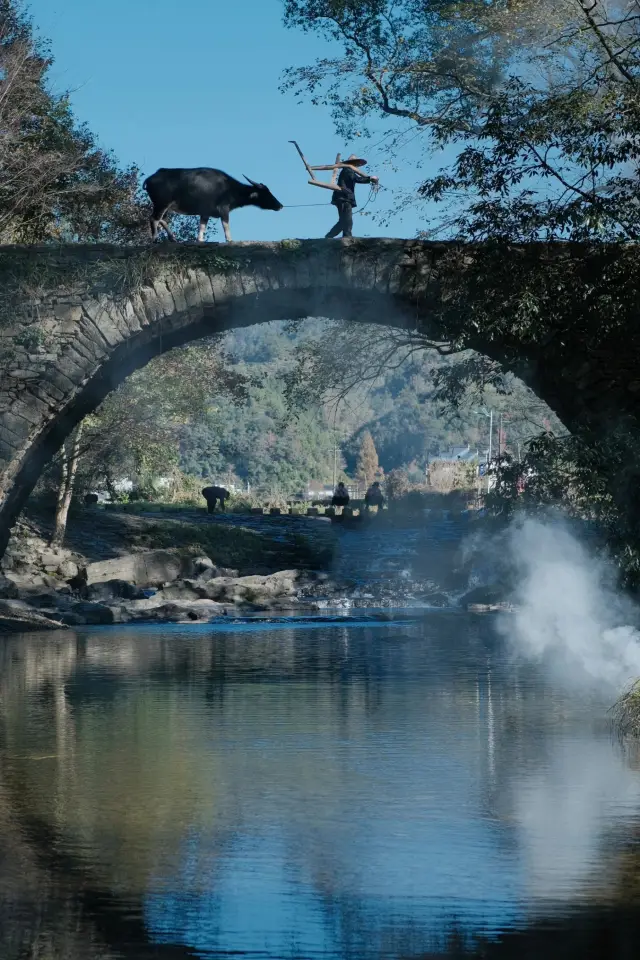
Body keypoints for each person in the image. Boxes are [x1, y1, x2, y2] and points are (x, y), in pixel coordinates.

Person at [326, 155, 378, 239]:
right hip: (343, 197)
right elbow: (356, 179)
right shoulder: (348, 170)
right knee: (346, 219)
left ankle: (344, 236)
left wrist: (369, 179)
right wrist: (370, 178)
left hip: (345, 197)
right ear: (353, 163)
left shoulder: (349, 170)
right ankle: (339, 236)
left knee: (345, 220)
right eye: (357, 164)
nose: (358, 166)